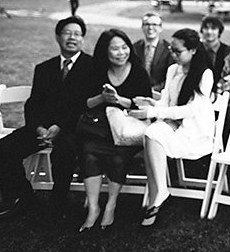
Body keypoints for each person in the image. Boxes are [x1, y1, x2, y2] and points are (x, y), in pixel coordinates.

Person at [0, 16, 93, 218]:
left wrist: (60, 127)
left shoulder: (92, 67)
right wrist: (37, 127)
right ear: (57, 37)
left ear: (82, 39)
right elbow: (33, 103)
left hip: (74, 129)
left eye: (77, 34)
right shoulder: (44, 68)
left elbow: (85, 106)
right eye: (67, 33)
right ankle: (23, 200)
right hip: (41, 129)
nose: (72, 38)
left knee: (63, 150)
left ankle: (58, 203)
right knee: (1, 150)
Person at [129, 29, 215, 227]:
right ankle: (159, 193)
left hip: (195, 131)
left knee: (152, 133)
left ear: (193, 50)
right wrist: (150, 105)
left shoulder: (204, 74)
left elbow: (192, 110)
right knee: (150, 134)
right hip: (173, 125)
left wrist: (153, 114)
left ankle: (157, 195)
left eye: (178, 51)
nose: (173, 54)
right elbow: (167, 103)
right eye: (171, 50)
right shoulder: (172, 70)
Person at [78, 29, 151, 232]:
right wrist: (103, 98)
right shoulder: (97, 71)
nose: (121, 52)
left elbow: (145, 106)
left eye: (124, 47)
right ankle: (93, 208)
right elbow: (85, 103)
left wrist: (119, 100)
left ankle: (111, 204)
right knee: (89, 153)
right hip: (98, 129)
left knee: (119, 156)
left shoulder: (138, 72)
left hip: (125, 133)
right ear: (105, 51)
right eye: (115, 48)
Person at [133, 12, 173, 93]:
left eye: (154, 24)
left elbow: (171, 77)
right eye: (147, 24)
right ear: (142, 27)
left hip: (160, 93)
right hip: (136, 91)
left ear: (160, 28)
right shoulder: (135, 47)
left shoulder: (168, 49)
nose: (150, 27)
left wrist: (153, 90)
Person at [200, 15, 230, 95]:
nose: (209, 32)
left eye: (213, 29)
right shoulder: (195, 49)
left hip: (221, 93)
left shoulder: (228, 51)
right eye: (206, 28)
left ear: (219, 31)